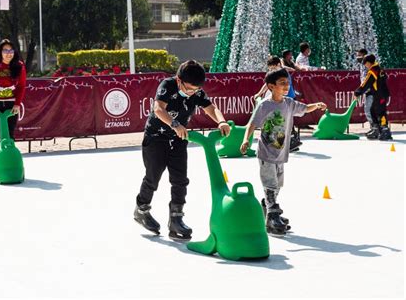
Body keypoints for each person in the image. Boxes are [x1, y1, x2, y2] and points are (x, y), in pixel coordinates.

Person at [134, 60, 231, 241]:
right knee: (152, 177)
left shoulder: (196, 91)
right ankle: (141, 209)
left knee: (180, 179)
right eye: (188, 89)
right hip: (156, 138)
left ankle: (176, 218)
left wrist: (222, 121)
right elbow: (158, 109)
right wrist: (175, 124)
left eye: (195, 90)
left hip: (179, 140)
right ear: (179, 80)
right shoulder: (168, 85)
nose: (191, 93)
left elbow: (211, 108)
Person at [240, 68, 327, 236]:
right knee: (270, 184)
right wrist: (245, 139)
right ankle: (272, 216)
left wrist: (316, 105)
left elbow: (304, 108)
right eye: (282, 83)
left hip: (281, 153)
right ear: (271, 86)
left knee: (278, 185)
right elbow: (252, 123)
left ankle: (267, 209)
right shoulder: (265, 105)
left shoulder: (289, 103)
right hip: (266, 152)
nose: (286, 86)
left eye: (287, 83)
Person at [0, 39, 26, 172]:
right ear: (0, 52)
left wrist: (17, 104)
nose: (8, 53)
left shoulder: (19, 66)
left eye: (11, 50)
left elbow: (21, 87)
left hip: (11, 104)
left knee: (10, 133)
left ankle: (9, 160)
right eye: (5, 50)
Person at [254, 56, 302, 152]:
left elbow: (267, 85)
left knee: (282, 122)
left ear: (277, 65)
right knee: (283, 122)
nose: (270, 69)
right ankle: (288, 142)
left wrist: (259, 93)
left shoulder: (279, 74)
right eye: (270, 68)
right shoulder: (282, 71)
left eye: (271, 67)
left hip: (285, 98)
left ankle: (289, 142)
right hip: (286, 98)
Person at [354, 54, 392, 140]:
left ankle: (385, 130)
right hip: (380, 94)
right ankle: (376, 129)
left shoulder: (373, 71)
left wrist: (357, 92)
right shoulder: (379, 68)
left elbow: (366, 83)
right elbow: (384, 78)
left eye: (365, 63)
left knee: (380, 111)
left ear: (369, 63)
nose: (365, 66)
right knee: (372, 110)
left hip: (380, 94)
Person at [355, 48, 374, 134]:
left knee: (368, 110)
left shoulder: (369, 66)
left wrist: (360, 91)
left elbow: (368, 80)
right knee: (369, 110)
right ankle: (374, 128)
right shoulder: (361, 65)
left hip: (372, 91)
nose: (357, 57)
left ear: (364, 56)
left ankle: (376, 128)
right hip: (366, 91)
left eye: (359, 55)